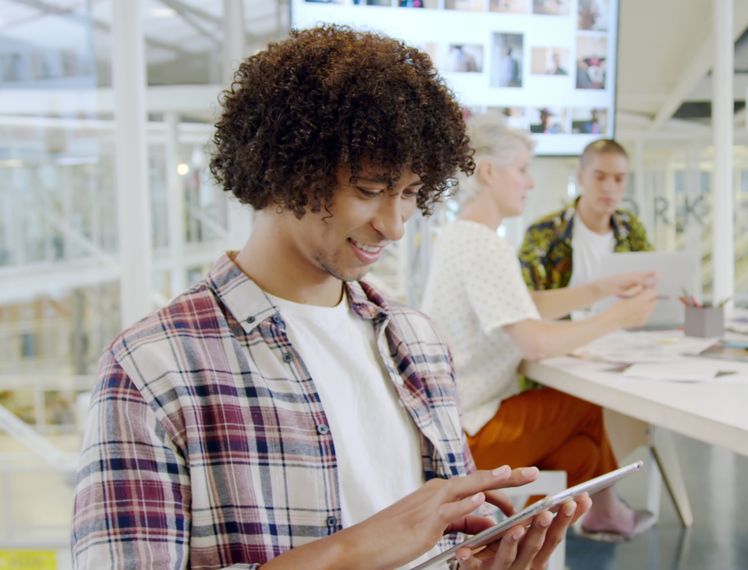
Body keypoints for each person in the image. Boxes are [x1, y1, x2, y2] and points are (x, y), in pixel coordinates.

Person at [71, 27, 587, 570]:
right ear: (284, 171)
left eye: (410, 194)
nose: (393, 227)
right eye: (368, 190)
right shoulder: (154, 368)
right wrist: (352, 552)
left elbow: (437, 546)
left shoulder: (417, 341)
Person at [422, 113, 659, 542]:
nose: (530, 182)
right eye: (523, 170)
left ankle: (552, 528)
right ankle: (524, 540)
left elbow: (525, 305)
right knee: (583, 407)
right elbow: (533, 340)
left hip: (454, 426)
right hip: (471, 432)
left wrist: (600, 288)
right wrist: (618, 316)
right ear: (489, 172)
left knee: (580, 455)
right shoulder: (483, 244)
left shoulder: (463, 235)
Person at [519, 139, 650, 307]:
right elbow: (525, 300)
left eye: (619, 179)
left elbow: (650, 278)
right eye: (600, 177)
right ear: (581, 177)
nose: (609, 187)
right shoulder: (544, 232)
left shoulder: (631, 228)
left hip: (620, 328)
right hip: (561, 329)